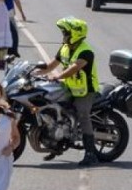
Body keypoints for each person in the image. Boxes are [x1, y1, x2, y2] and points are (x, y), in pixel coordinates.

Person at [35, 17, 101, 167]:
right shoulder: (65, 47)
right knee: (52, 105)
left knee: (83, 114)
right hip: (71, 88)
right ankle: (55, 143)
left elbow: (74, 68)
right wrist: (33, 72)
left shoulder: (86, 51)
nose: (63, 36)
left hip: (86, 91)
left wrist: (58, 76)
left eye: (65, 33)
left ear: (75, 34)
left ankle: (90, 153)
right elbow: (50, 66)